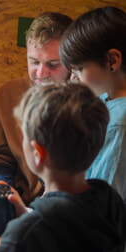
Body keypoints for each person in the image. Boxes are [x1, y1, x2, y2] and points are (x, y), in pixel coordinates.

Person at [0, 82, 126, 252]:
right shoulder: (109, 199)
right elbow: (66, 233)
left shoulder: (21, 237)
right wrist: (26, 214)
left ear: (38, 154)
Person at [0, 12, 72, 204]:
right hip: (20, 201)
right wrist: (2, 184)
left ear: (71, 62)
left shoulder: (88, 104)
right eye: (34, 62)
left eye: (53, 64)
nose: (40, 73)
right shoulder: (8, 95)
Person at [60, 6, 126, 205]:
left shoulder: (119, 122)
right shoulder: (106, 104)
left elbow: (101, 206)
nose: (74, 78)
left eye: (79, 68)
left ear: (112, 61)